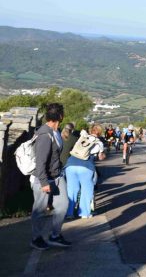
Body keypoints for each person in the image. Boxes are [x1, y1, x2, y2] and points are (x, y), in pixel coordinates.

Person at [30, 103, 71, 250]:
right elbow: (40, 162)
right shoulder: (45, 134)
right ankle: (36, 238)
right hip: (44, 178)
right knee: (40, 210)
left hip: (57, 176)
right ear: (60, 116)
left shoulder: (56, 131)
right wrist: (43, 182)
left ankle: (55, 235)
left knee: (63, 205)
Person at [65, 124, 106, 219]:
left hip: (70, 165)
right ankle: (84, 213)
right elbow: (100, 157)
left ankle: (69, 213)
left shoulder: (82, 137)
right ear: (99, 132)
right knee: (86, 190)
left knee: (71, 190)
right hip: (86, 167)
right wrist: (103, 155)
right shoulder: (99, 143)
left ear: (91, 130)